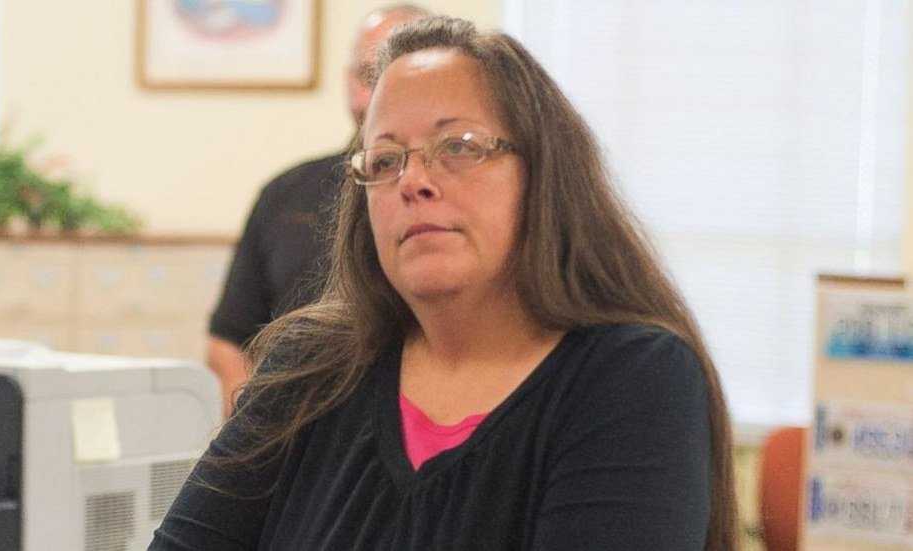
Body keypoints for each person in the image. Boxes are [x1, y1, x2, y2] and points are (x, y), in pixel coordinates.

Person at [152, 16, 737, 550]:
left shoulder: (631, 378)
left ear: (543, 175)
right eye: (385, 160)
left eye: (459, 147)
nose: (413, 181)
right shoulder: (308, 369)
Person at [207, 4, 430, 418]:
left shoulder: (452, 198)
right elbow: (229, 341)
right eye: (370, 76)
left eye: (402, 77)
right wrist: (255, 436)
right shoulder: (285, 194)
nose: (383, 95)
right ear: (348, 82)